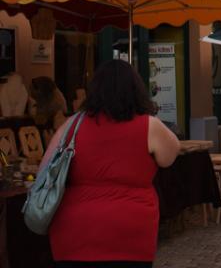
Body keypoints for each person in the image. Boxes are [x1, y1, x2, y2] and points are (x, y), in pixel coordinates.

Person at [46, 59, 181, 267]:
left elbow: (45, 171)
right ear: (136, 90)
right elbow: (169, 157)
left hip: (75, 230)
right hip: (130, 230)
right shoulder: (149, 126)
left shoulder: (71, 126)